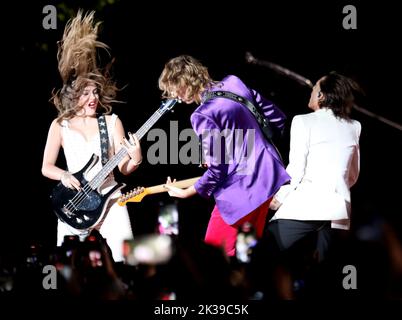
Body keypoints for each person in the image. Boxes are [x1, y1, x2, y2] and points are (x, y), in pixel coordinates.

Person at [159, 55, 290, 257]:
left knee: (214, 258)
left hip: (243, 191)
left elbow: (219, 167)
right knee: (245, 256)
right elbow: (275, 117)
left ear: (185, 82)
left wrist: (187, 191)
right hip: (269, 177)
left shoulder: (201, 114)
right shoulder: (233, 82)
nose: (174, 95)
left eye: (174, 87)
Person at [41, 10, 142, 262]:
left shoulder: (111, 122)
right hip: (75, 204)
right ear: (74, 96)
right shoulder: (59, 125)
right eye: (86, 93)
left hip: (110, 200)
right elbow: (46, 167)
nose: (93, 98)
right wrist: (64, 175)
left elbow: (124, 168)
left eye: (95, 92)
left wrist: (136, 157)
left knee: (126, 260)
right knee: (67, 264)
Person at [267, 71, 362, 264]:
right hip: (339, 211)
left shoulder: (302, 121)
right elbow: (352, 175)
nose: (311, 92)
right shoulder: (354, 126)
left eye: (314, 89)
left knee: (268, 251)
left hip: (305, 206)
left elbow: (296, 169)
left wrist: (278, 198)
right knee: (326, 271)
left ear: (321, 96)